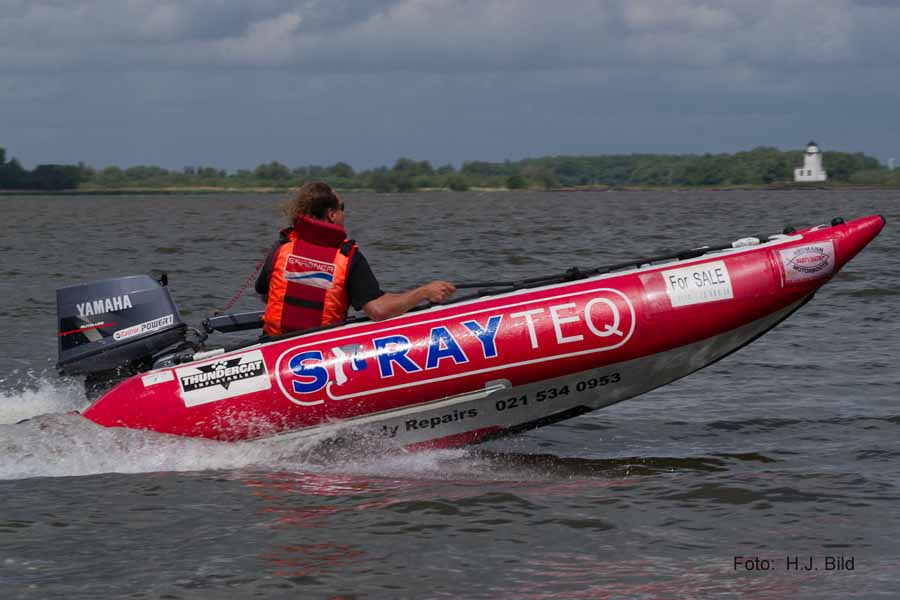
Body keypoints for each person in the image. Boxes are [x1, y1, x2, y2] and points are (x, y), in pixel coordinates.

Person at [255, 181, 455, 336]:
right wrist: (424, 292)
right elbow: (377, 310)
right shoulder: (347, 256)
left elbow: (266, 295)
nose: (345, 214)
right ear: (332, 214)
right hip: (320, 352)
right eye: (343, 207)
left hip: (275, 346)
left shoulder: (282, 248)